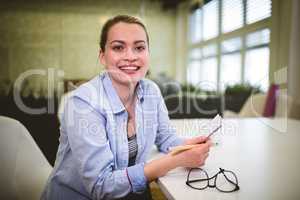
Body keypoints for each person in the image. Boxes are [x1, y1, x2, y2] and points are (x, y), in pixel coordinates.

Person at [41, 15, 211, 200]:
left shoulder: (151, 90)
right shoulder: (83, 103)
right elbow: (102, 186)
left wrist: (188, 145)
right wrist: (177, 160)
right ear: (102, 56)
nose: (130, 56)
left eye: (139, 47)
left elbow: (165, 137)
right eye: (118, 47)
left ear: (148, 54)